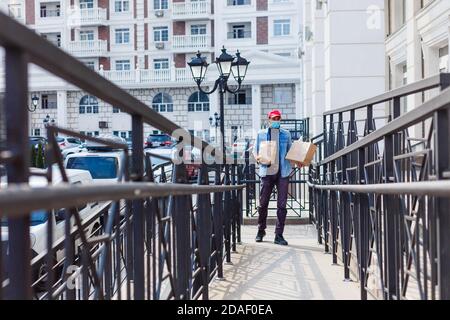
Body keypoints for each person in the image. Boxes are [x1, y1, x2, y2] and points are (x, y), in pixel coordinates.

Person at [254, 109, 292, 246]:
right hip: (267, 172)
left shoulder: (286, 134)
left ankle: (279, 234)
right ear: (269, 119)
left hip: (283, 172)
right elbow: (255, 151)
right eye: (273, 119)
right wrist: (258, 158)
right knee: (263, 203)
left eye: (278, 119)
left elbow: (290, 151)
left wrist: (298, 159)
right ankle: (261, 230)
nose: (276, 121)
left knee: (282, 205)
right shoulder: (261, 134)